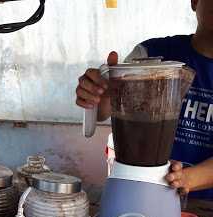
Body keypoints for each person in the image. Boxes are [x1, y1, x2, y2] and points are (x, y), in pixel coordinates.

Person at [76, 0, 213, 199]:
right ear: (194, 2)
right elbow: (105, 110)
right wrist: (98, 93)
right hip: (141, 192)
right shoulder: (150, 54)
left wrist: (187, 179)